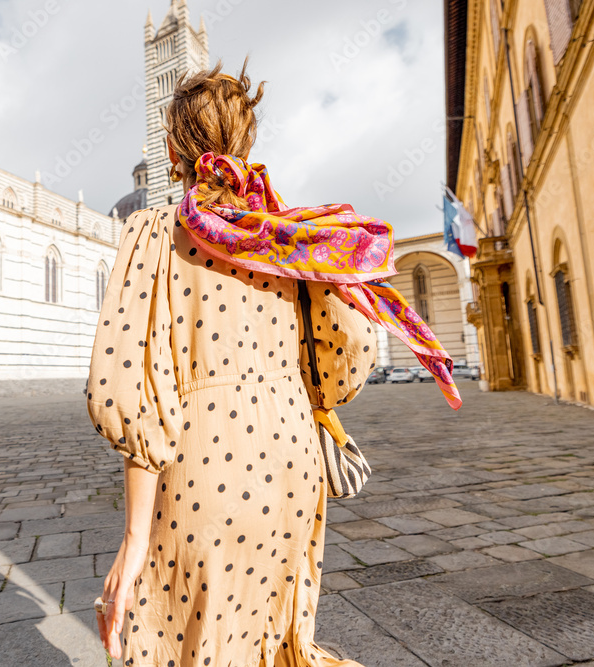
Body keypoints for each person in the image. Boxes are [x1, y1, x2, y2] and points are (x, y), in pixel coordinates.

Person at [85, 61, 459, 666]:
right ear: (245, 143)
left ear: (175, 151)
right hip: (292, 468)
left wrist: (132, 541)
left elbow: (136, 388)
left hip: (202, 469)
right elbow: (352, 353)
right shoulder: (288, 240)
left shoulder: (154, 234)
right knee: (275, 643)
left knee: (185, 646)